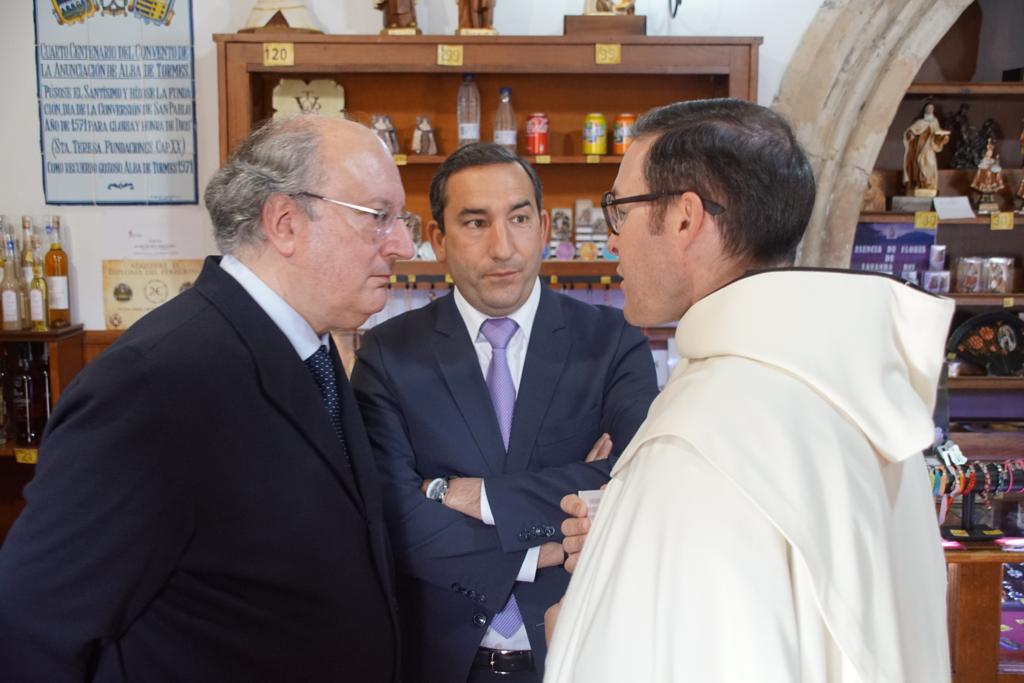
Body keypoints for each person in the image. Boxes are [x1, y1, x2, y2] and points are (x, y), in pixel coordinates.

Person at [544, 98, 953, 682]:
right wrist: (624, 541)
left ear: (685, 218)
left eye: (621, 209)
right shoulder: (855, 386)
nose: (613, 240)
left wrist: (575, 628)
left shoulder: (704, 435)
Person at [0, 115, 414, 681]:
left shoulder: (310, 351)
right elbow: (32, 628)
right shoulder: (153, 384)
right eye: (379, 218)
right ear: (286, 223)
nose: (405, 244)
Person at [350, 142, 658, 682]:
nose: (503, 247)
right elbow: (392, 517)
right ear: (438, 238)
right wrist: (536, 546)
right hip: (440, 663)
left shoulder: (612, 343)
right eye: (475, 222)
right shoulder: (388, 353)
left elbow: (636, 482)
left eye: (518, 219)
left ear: (543, 227)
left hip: (577, 656)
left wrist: (462, 493)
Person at [903, 102, 950, 195]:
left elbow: (937, 133)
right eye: (928, 108)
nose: (930, 109)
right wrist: (911, 134)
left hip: (930, 147)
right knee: (919, 164)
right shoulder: (920, 122)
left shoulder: (935, 121)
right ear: (925, 109)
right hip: (920, 146)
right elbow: (910, 131)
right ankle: (920, 184)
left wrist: (943, 137)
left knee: (930, 164)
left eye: (932, 108)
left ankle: (928, 184)